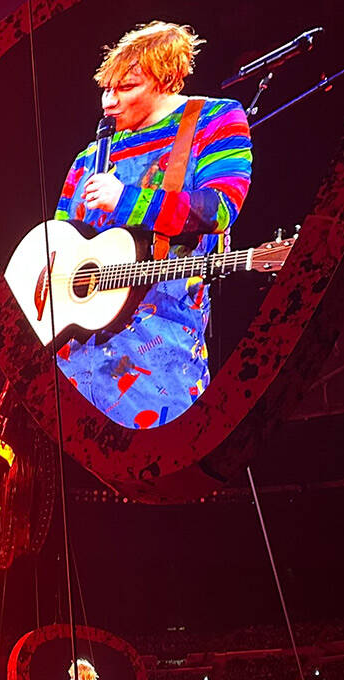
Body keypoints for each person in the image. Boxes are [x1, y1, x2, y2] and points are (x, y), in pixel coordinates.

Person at [53, 21, 253, 430]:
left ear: (165, 81)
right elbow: (56, 245)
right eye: (106, 89)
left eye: (125, 88)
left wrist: (124, 199)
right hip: (66, 369)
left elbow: (218, 209)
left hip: (160, 363)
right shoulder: (86, 158)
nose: (109, 102)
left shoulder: (216, 119)